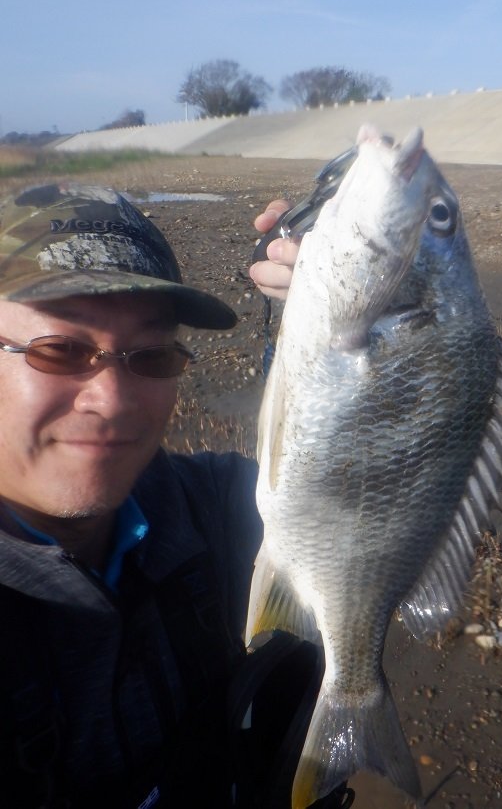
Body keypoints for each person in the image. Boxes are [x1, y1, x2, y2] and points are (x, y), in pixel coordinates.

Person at [0, 182, 352, 809]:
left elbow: (375, 491)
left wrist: (372, 313)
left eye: (152, 356)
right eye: (61, 350)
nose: (111, 400)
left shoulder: (215, 507)